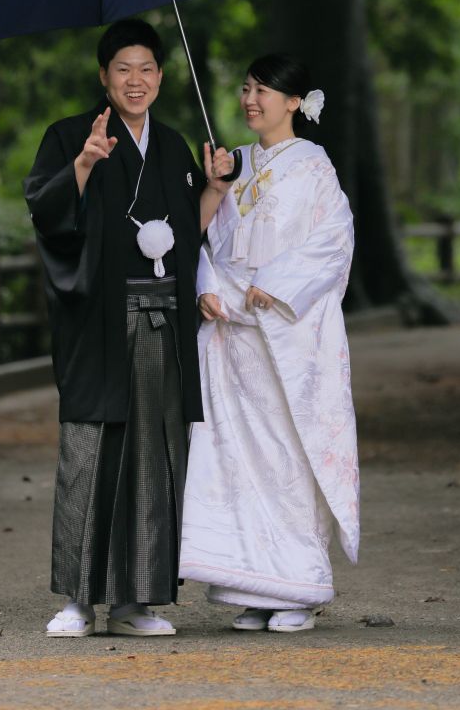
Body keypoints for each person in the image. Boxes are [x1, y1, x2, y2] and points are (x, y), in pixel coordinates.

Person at [23, 18, 233, 638]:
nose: (135, 80)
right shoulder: (68, 137)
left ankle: (135, 602)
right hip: (98, 325)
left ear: (162, 78)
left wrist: (215, 190)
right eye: (123, 68)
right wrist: (85, 165)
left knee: (155, 456)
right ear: (103, 77)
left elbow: (187, 235)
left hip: (162, 323)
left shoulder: (172, 146)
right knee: (90, 452)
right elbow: (47, 214)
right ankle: (78, 601)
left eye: (146, 69)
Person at [178, 53, 358, 633]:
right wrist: (207, 285)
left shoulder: (313, 166)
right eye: (248, 88)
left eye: (266, 91)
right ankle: (252, 584)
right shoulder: (233, 164)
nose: (252, 100)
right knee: (237, 458)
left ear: (294, 103)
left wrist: (274, 286)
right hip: (233, 336)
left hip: (285, 334)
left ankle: (299, 587)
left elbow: (334, 241)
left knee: (288, 455)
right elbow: (207, 239)